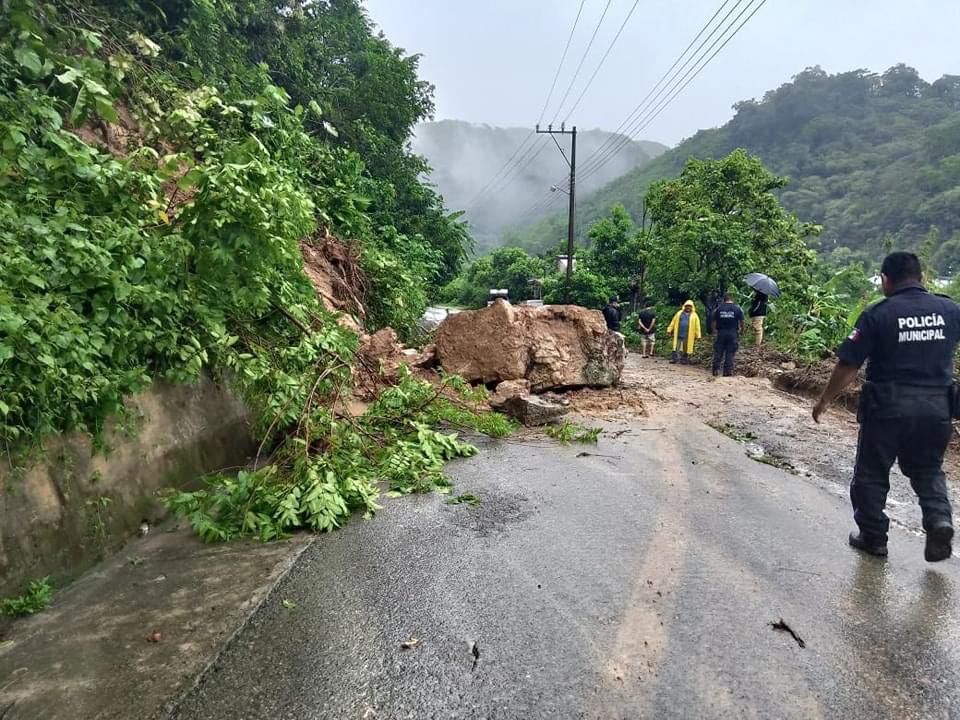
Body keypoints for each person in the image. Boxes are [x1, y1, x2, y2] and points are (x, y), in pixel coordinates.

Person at [813, 251, 959, 562]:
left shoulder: (879, 313)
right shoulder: (949, 310)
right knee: (927, 468)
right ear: (922, 278)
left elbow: (848, 365)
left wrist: (826, 400)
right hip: (937, 409)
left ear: (885, 280)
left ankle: (874, 537)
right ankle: (938, 520)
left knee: (871, 473)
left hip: (887, 408)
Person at [711, 292, 745, 377]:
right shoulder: (737, 309)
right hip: (732, 333)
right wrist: (742, 331)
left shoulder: (718, 309)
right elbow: (742, 321)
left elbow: (713, 321)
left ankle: (715, 369)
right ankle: (727, 371)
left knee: (718, 351)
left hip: (721, 332)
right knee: (730, 352)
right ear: (732, 300)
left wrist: (714, 332)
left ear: (724, 300)